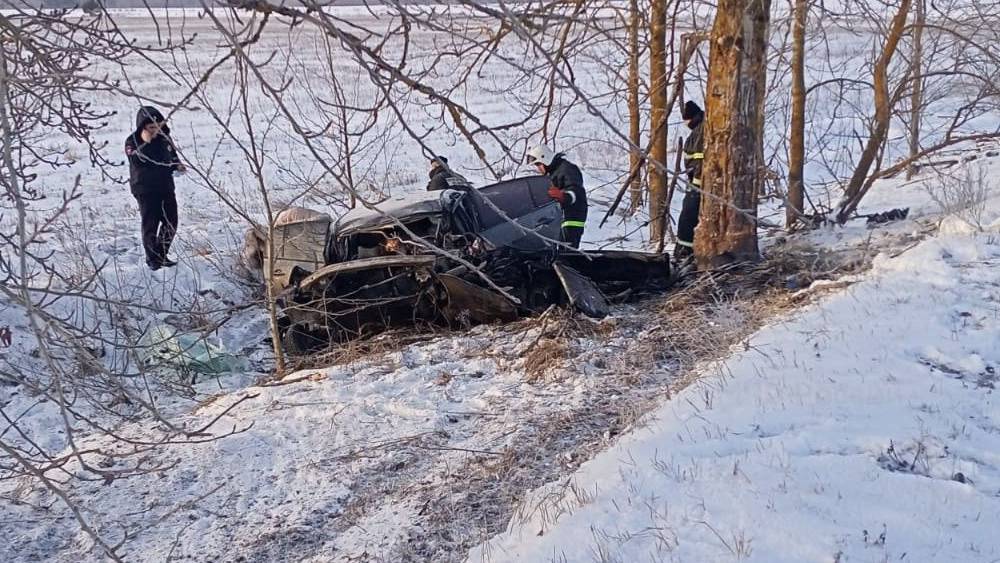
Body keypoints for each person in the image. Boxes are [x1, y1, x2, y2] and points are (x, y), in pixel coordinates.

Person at [125, 106, 185, 271]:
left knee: (171, 221)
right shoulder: (132, 142)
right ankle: (153, 259)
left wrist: (177, 165)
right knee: (151, 223)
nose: (155, 130)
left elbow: (171, 156)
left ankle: (161, 254)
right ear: (143, 127)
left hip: (165, 186)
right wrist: (146, 143)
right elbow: (136, 160)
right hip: (145, 188)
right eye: (151, 127)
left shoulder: (165, 138)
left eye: (158, 126)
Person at [525, 145, 587, 248]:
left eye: (538, 164)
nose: (538, 168)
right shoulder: (553, 173)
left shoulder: (567, 169)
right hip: (560, 218)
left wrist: (564, 196)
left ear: (545, 158)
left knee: (567, 252)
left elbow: (575, 190)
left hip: (571, 218)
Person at [675, 100, 705, 261]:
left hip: (698, 183)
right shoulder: (698, 130)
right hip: (695, 180)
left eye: (686, 120)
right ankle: (685, 249)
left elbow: (700, 159)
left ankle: (684, 251)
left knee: (688, 214)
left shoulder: (701, 131)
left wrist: (697, 182)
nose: (686, 124)